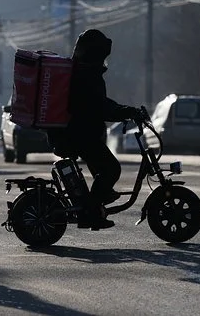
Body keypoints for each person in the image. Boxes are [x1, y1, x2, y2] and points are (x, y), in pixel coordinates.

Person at [48, 29, 140, 230]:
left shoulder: (81, 73)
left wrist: (123, 111)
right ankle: (90, 212)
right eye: (101, 56)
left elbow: (99, 104)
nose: (104, 61)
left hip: (77, 134)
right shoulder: (85, 76)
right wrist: (127, 112)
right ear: (94, 54)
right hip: (79, 135)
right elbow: (98, 106)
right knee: (111, 169)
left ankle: (95, 202)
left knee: (103, 171)